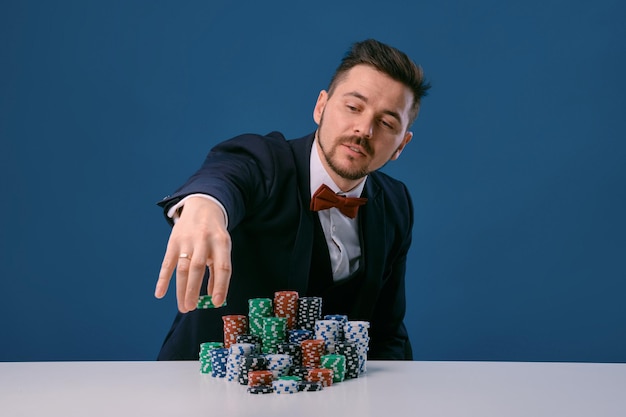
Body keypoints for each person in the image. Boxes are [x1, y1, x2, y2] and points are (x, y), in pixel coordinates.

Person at [154, 38, 430, 360]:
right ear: (321, 107)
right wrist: (205, 204)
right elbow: (226, 175)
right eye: (353, 107)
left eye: (386, 123)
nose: (364, 129)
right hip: (203, 387)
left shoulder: (396, 203)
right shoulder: (265, 161)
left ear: (401, 145)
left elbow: (387, 333)